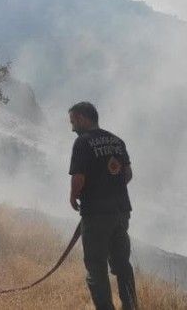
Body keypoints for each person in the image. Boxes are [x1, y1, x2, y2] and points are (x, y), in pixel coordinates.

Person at [68, 101, 138, 310]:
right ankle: (131, 306)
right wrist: (110, 188)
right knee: (122, 265)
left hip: (96, 215)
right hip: (120, 211)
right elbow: (127, 174)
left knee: (96, 268)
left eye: (73, 122)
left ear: (82, 118)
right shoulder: (117, 141)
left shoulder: (82, 142)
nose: (72, 127)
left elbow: (78, 178)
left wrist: (74, 197)